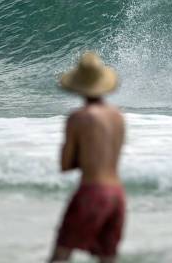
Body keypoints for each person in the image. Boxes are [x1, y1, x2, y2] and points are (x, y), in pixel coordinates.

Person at [50, 52, 126, 263]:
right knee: (107, 258)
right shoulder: (118, 116)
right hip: (116, 195)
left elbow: (65, 165)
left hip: (92, 192)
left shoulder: (78, 118)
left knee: (60, 256)